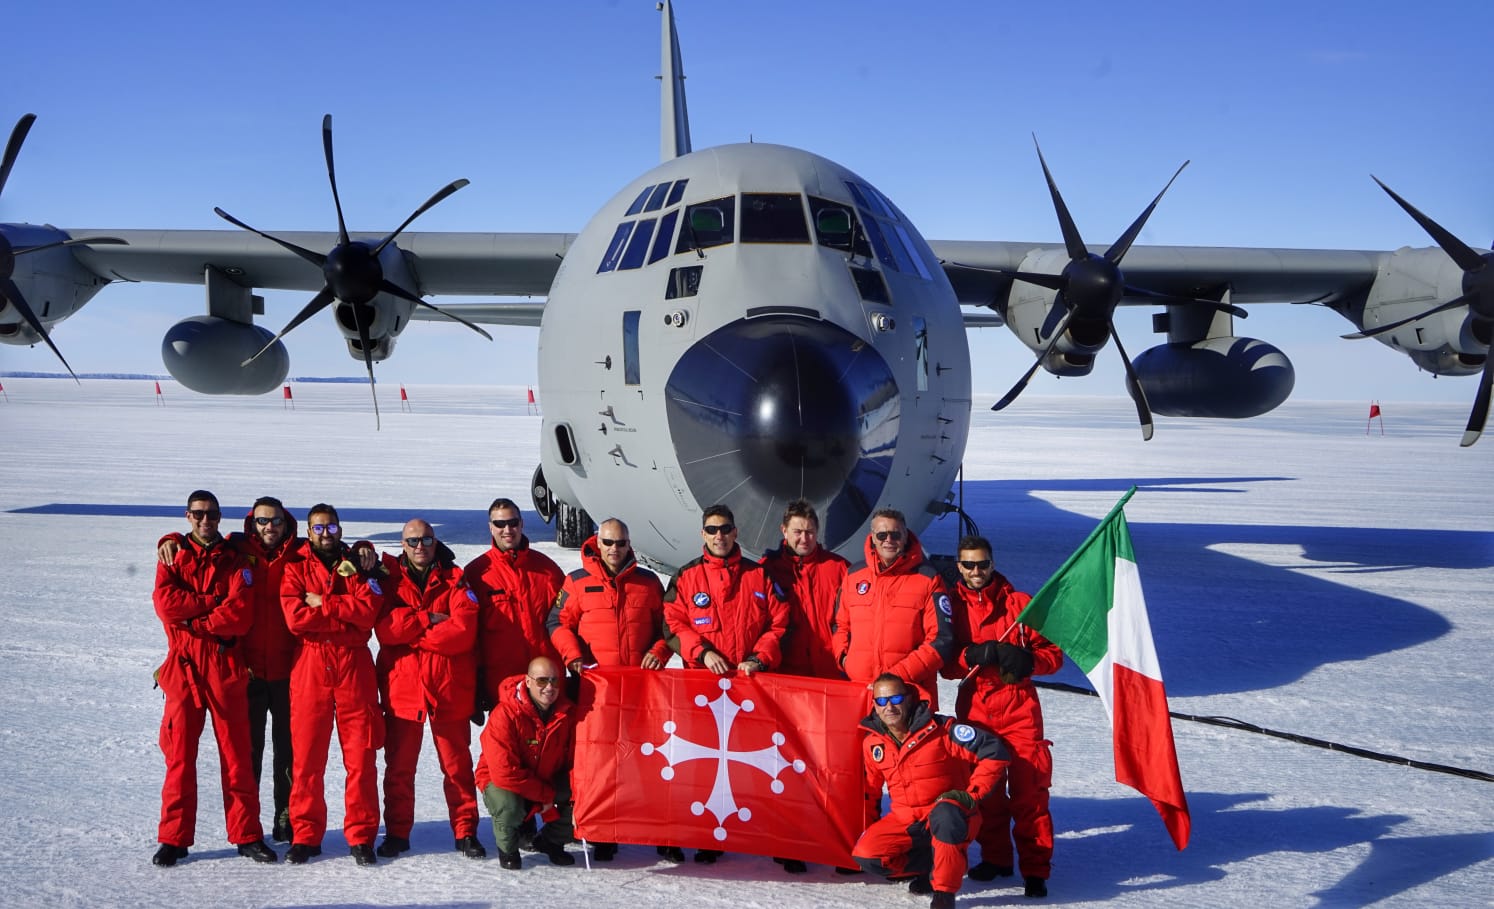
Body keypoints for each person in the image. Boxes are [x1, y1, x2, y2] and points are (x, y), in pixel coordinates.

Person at [157, 495, 300, 843]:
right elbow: (165, 604)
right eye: (199, 514)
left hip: (272, 667)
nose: (270, 527)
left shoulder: (289, 552)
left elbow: (237, 614)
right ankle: (174, 839)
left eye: (276, 521)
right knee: (188, 756)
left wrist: (193, 621)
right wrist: (169, 541)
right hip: (219, 667)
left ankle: (267, 827)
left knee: (273, 754)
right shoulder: (208, 551)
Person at [662, 503, 789, 864]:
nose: (720, 536)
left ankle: (752, 830)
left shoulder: (758, 576)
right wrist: (702, 653)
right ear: (703, 533)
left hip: (748, 691)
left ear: (736, 533)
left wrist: (759, 657)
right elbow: (672, 624)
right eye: (713, 529)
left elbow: (779, 623)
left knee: (751, 766)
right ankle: (701, 834)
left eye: (726, 529)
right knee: (698, 767)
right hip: (701, 691)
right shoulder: (686, 578)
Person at [547, 517, 674, 862]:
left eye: (620, 543)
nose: (614, 549)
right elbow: (557, 623)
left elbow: (669, 627)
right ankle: (604, 831)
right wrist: (572, 656)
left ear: (629, 544)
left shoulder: (648, 583)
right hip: (594, 693)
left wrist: (658, 651)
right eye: (608, 542)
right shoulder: (575, 582)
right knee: (599, 764)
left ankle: (662, 834)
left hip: (639, 691)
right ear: (597, 543)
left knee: (648, 761)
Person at [942, 536, 1060, 898]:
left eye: (982, 564)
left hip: (1020, 708)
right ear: (958, 566)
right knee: (987, 792)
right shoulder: (950, 608)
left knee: (1030, 794)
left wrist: (1029, 662)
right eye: (968, 565)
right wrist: (970, 655)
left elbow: (1054, 654)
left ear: (992, 564)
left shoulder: (1020, 605)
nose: (976, 572)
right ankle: (996, 859)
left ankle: (1036, 869)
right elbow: (944, 664)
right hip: (977, 707)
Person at [279, 504, 385, 865]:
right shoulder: (295, 567)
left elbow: (367, 614)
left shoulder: (359, 565)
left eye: (332, 527)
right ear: (309, 532)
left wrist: (323, 602)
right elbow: (296, 620)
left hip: (354, 666)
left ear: (341, 529)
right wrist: (344, 611)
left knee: (361, 757)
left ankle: (362, 835)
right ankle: (306, 834)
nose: (326, 534)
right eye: (318, 528)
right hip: (311, 666)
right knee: (307, 758)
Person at [374, 519, 484, 860]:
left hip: (448, 687)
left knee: (457, 767)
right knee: (399, 769)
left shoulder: (455, 578)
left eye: (425, 539)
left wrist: (413, 631)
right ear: (403, 545)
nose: (419, 546)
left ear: (435, 542)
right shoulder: (388, 580)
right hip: (404, 689)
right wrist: (428, 619)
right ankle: (396, 832)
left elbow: (463, 631)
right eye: (412, 541)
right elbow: (385, 630)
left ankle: (465, 831)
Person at [853, 674, 1010, 909]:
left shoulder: (942, 730)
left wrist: (972, 795)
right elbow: (870, 790)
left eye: (895, 698)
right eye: (882, 701)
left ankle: (943, 892)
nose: (889, 707)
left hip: (951, 815)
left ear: (909, 699)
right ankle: (931, 864)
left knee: (946, 814)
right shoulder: (873, 743)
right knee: (867, 855)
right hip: (907, 821)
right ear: (874, 704)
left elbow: (994, 751)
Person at [758, 498, 849, 874]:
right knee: (789, 764)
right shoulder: (765, 571)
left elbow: (851, 621)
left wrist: (845, 660)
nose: (804, 537)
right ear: (784, 531)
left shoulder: (838, 568)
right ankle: (789, 839)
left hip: (830, 678)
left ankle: (834, 838)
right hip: (788, 679)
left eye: (810, 531)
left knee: (832, 764)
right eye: (797, 531)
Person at [833, 508, 956, 708]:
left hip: (908, 694)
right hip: (860, 692)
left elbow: (941, 640)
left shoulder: (928, 579)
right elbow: (840, 625)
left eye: (895, 534)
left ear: (905, 536)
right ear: (873, 537)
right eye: (882, 535)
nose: (888, 540)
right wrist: (844, 659)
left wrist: (895, 678)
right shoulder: (854, 576)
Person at [477, 656, 578, 870]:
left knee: (583, 794)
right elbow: (504, 773)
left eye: (555, 681)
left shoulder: (567, 714)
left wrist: (566, 791)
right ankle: (508, 848)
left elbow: (573, 761)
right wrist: (543, 797)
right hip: (501, 780)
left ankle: (552, 841)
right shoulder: (504, 714)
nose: (549, 687)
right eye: (542, 681)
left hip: (544, 777)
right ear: (528, 681)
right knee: (509, 805)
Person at [465, 498, 564, 713]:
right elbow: (470, 635)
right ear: (491, 527)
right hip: (502, 683)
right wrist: (475, 683)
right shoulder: (477, 574)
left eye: (513, 522)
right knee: (505, 744)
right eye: (499, 524)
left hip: (546, 683)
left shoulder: (547, 570)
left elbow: (567, 621)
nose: (507, 529)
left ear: (522, 524)